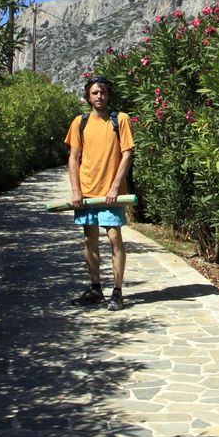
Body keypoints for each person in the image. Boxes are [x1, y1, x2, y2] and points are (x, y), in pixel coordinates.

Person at [64, 75, 135, 310]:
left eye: (103, 92)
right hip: (87, 192)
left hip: (111, 194)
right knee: (89, 239)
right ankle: (95, 289)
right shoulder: (80, 122)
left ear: (108, 95)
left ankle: (117, 292)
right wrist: (76, 190)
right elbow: (73, 158)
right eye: (94, 93)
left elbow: (127, 154)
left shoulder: (120, 120)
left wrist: (115, 186)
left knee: (114, 238)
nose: (99, 96)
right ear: (88, 96)